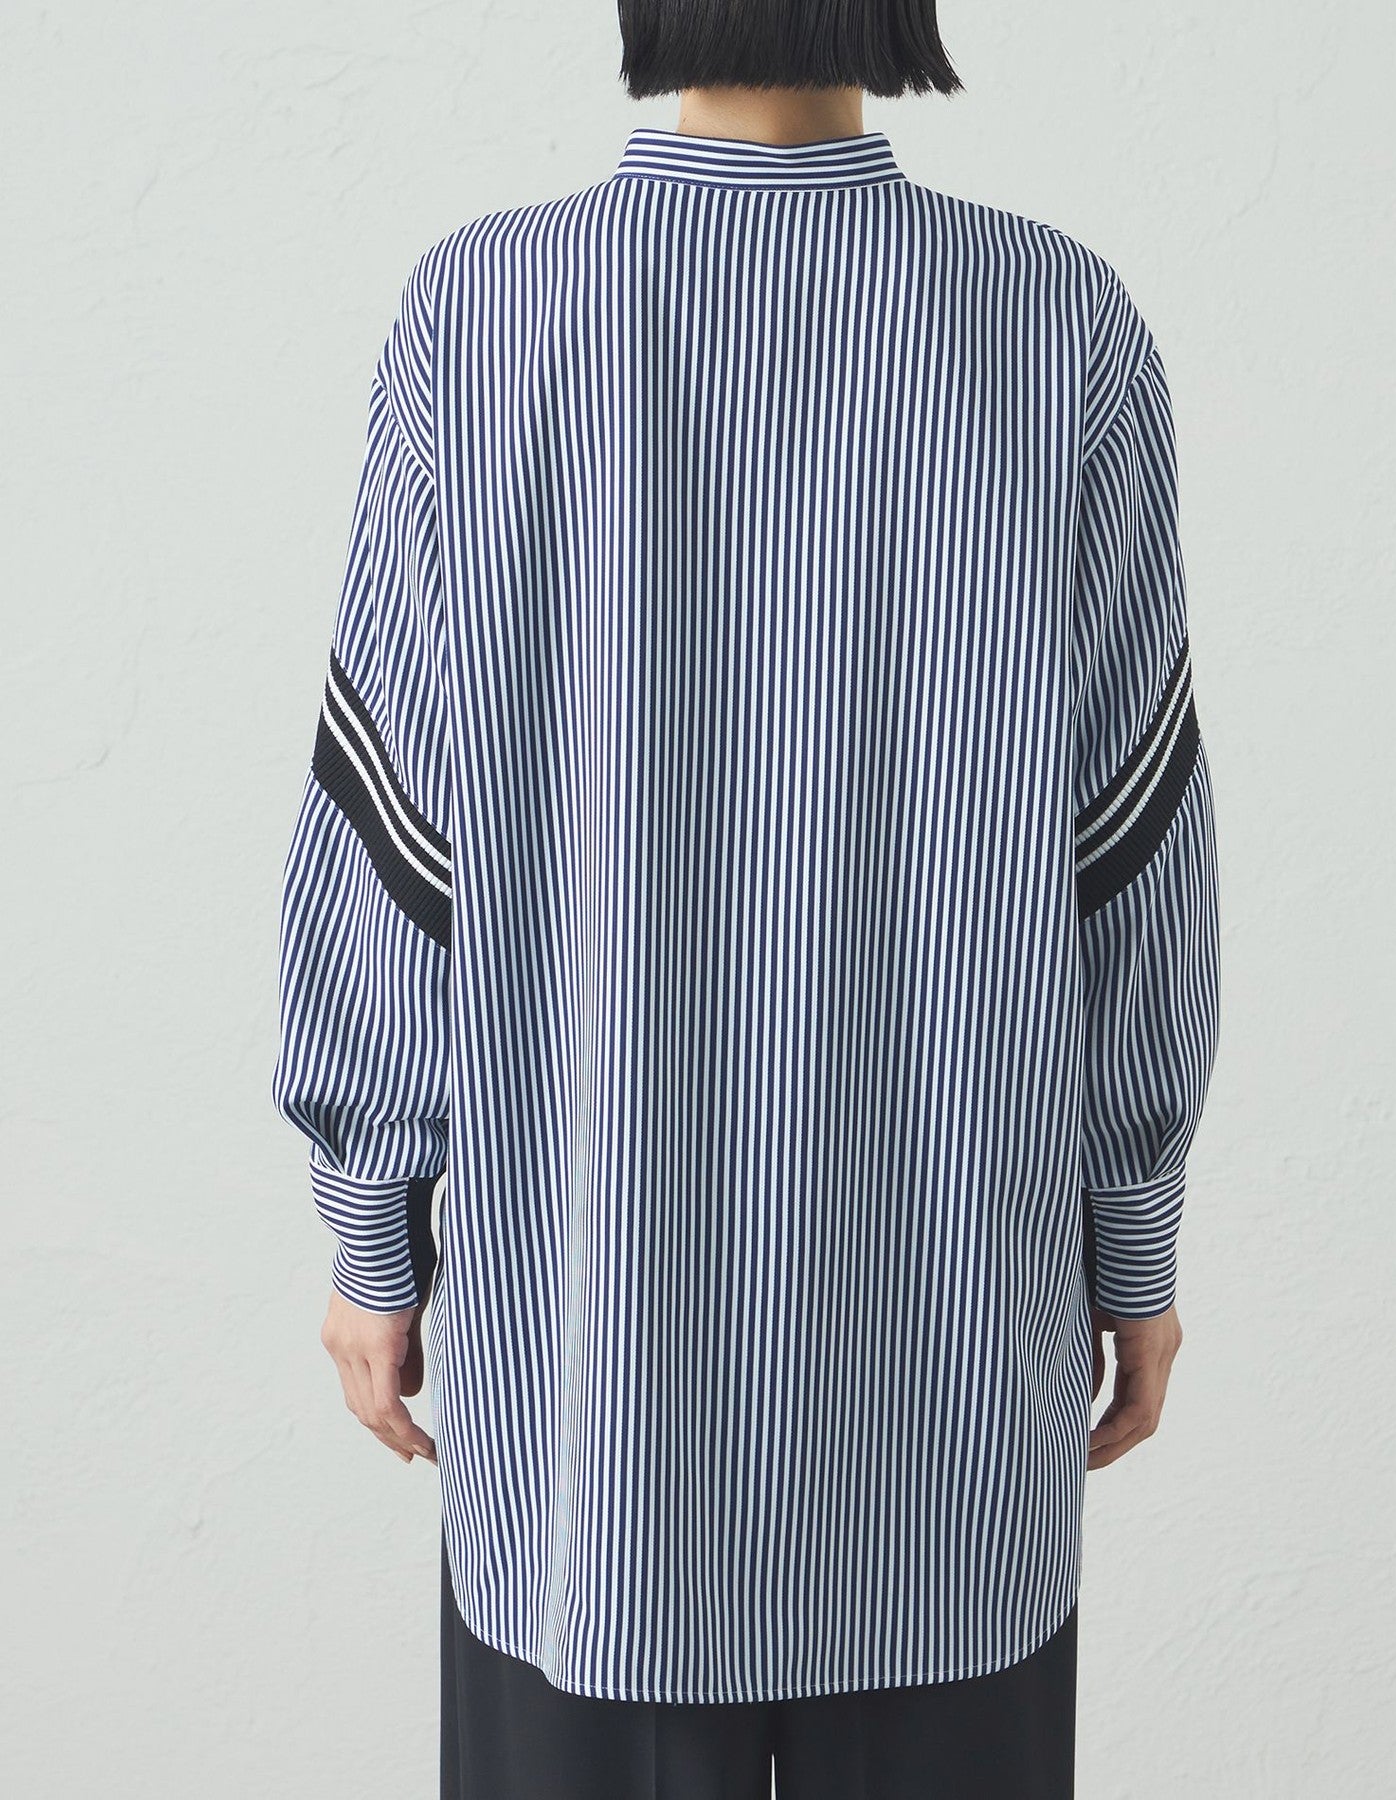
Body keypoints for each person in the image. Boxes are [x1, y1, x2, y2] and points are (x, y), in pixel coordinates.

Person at [270, 2, 1222, 1793]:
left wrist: (373, 1235)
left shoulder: (481, 313)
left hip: (596, 1404)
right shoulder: (1056, 321)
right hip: (949, 1384)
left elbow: (391, 828)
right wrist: (1135, 1241)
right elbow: (1133, 845)